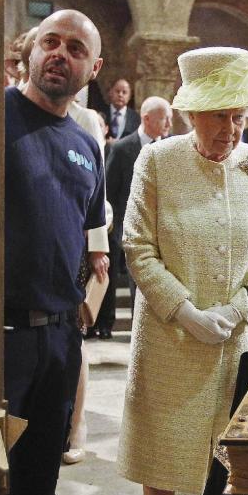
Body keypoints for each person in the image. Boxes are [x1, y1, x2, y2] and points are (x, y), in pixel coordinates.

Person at [117, 46, 248, 495]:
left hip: (234, 341)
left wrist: (240, 309)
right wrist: (184, 310)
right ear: (193, 114)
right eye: (221, 116)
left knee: (230, 454)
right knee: (164, 451)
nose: (232, 129)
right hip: (170, 337)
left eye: (240, 116)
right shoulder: (159, 162)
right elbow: (137, 247)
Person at [4, 9, 106, 495]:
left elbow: (92, 234)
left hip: (59, 339)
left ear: (93, 68)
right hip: (0, 336)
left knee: (39, 479)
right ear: (29, 51)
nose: (59, 54)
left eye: (75, 48)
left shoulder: (85, 143)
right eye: (50, 41)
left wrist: (83, 308)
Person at [100, 96, 173, 325]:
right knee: (137, 285)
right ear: (146, 118)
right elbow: (110, 191)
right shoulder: (122, 148)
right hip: (128, 229)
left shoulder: (169, 149)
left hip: (162, 231)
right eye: (164, 119)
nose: (169, 125)